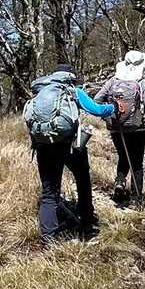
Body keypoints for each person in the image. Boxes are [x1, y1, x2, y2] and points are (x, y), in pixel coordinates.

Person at [24, 64, 114, 243]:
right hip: (68, 145)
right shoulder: (73, 91)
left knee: (49, 192)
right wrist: (113, 108)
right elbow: (96, 110)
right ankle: (87, 221)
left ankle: (48, 239)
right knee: (82, 178)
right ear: (70, 76)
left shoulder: (40, 93)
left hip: (43, 146)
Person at [92, 49, 145, 205]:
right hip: (137, 128)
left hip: (116, 127)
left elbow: (96, 100)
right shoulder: (142, 83)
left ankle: (120, 182)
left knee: (123, 156)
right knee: (137, 162)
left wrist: (107, 116)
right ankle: (136, 198)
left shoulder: (112, 81)